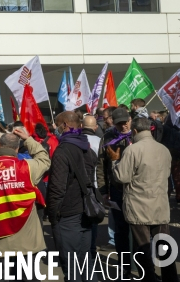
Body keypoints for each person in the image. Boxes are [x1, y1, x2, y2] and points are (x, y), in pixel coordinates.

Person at [0, 130, 50, 280]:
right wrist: (29, 139)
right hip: (26, 237)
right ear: (17, 148)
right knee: (27, 276)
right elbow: (44, 159)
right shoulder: (27, 167)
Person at [108, 117, 179, 282]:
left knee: (142, 248)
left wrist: (114, 163)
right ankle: (171, 278)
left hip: (139, 206)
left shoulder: (133, 150)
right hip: (160, 204)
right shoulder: (164, 150)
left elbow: (122, 177)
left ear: (134, 131)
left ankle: (148, 278)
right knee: (165, 247)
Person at [47, 111, 98, 282]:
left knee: (72, 267)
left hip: (68, 214)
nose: (56, 128)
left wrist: (53, 216)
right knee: (86, 263)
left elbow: (57, 188)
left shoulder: (63, 151)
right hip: (85, 212)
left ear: (64, 126)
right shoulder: (87, 148)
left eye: (57, 125)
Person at [99, 107, 132, 276]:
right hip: (117, 191)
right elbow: (101, 166)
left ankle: (145, 269)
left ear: (130, 120)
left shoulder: (138, 135)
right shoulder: (107, 137)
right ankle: (124, 268)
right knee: (121, 231)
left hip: (136, 191)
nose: (123, 127)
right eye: (119, 124)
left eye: (125, 123)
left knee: (142, 232)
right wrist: (104, 190)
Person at [81, 115, 101, 260]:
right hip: (95, 184)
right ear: (95, 127)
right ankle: (91, 249)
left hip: (78, 184)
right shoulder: (101, 141)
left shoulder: (76, 141)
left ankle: (82, 249)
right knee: (93, 215)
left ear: (82, 126)